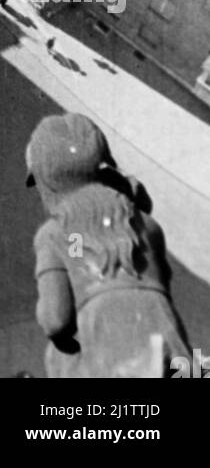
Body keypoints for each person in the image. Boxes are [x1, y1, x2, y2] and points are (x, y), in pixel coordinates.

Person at [26, 113, 189, 377]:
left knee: (57, 355)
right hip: (172, 353)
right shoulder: (146, 225)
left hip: (114, 361)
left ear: (46, 179)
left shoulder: (58, 234)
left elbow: (55, 320)